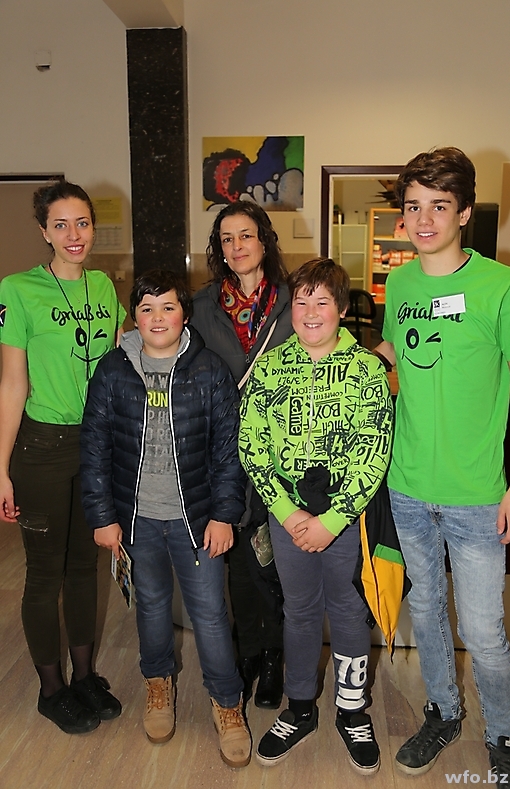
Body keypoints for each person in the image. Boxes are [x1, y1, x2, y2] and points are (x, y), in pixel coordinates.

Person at [374, 147, 510, 786]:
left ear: (464, 212)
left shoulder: (503, 286)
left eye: (439, 206)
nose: (423, 219)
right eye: (413, 206)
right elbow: (393, 353)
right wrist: (338, 360)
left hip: (476, 494)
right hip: (408, 486)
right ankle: (442, 711)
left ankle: (503, 733)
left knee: (486, 630)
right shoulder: (402, 283)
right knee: (427, 613)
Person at [80, 270, 252, 768]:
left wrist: (224, 515)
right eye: (147, 309)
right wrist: (103, 516)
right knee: (152, 606)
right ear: (134, 317)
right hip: (137, 521)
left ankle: (227, 703)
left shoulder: (210, 371)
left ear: (185, 314)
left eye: (168, 307)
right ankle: (158, 685)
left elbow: (229, 452)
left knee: (211, 614)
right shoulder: (113, 370)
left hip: (195, 521)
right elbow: (94, 447)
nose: (158, 318)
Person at [239, 258, 393, 772]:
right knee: (300, 610)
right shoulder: (270, 367)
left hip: (345, 520)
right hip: (288, 519)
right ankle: (300, 706)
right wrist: (286, 513)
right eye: (301, 300)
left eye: (322, 301)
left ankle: (352, 711)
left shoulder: (367, 371)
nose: (309, 311)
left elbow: (374, 453)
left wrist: (332, 521)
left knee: (348, 611)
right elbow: (252, 444)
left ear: (342, 309)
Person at [0, 180, 125, 734]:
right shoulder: (17, 290)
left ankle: (84, 676)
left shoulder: (104, 286)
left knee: (85, 567)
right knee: (45, 573)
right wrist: (0, 469)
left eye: (83, 223)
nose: (74, 235)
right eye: (61, 225)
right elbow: (11, 384)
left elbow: (118, 366)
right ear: (44, 232)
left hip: (95, 446)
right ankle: (51, 689)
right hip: (43, 448)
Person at [192, 200, 293, 709]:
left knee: (273, 559)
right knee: (235, 556)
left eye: (246, 235)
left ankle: (274, 655)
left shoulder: (294, 300)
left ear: (264, 240)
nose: (237, 247)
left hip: (282, 453)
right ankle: (248, 650)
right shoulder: (201, 305)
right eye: (226, 239)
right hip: (223, 453)